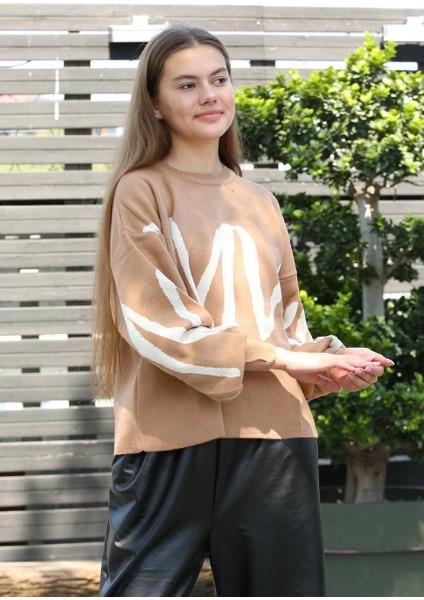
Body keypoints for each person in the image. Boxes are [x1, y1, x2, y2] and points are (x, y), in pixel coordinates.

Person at [92, 23, 394, 597]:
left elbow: (287, 327)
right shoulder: (140, 191)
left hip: (276, 436)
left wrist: (328, 363)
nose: (209, 95)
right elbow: (155, 325)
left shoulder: (260, 202)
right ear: (154, 103)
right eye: (187, 84)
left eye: (219, 79)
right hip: (167, 440)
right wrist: (286, 358)